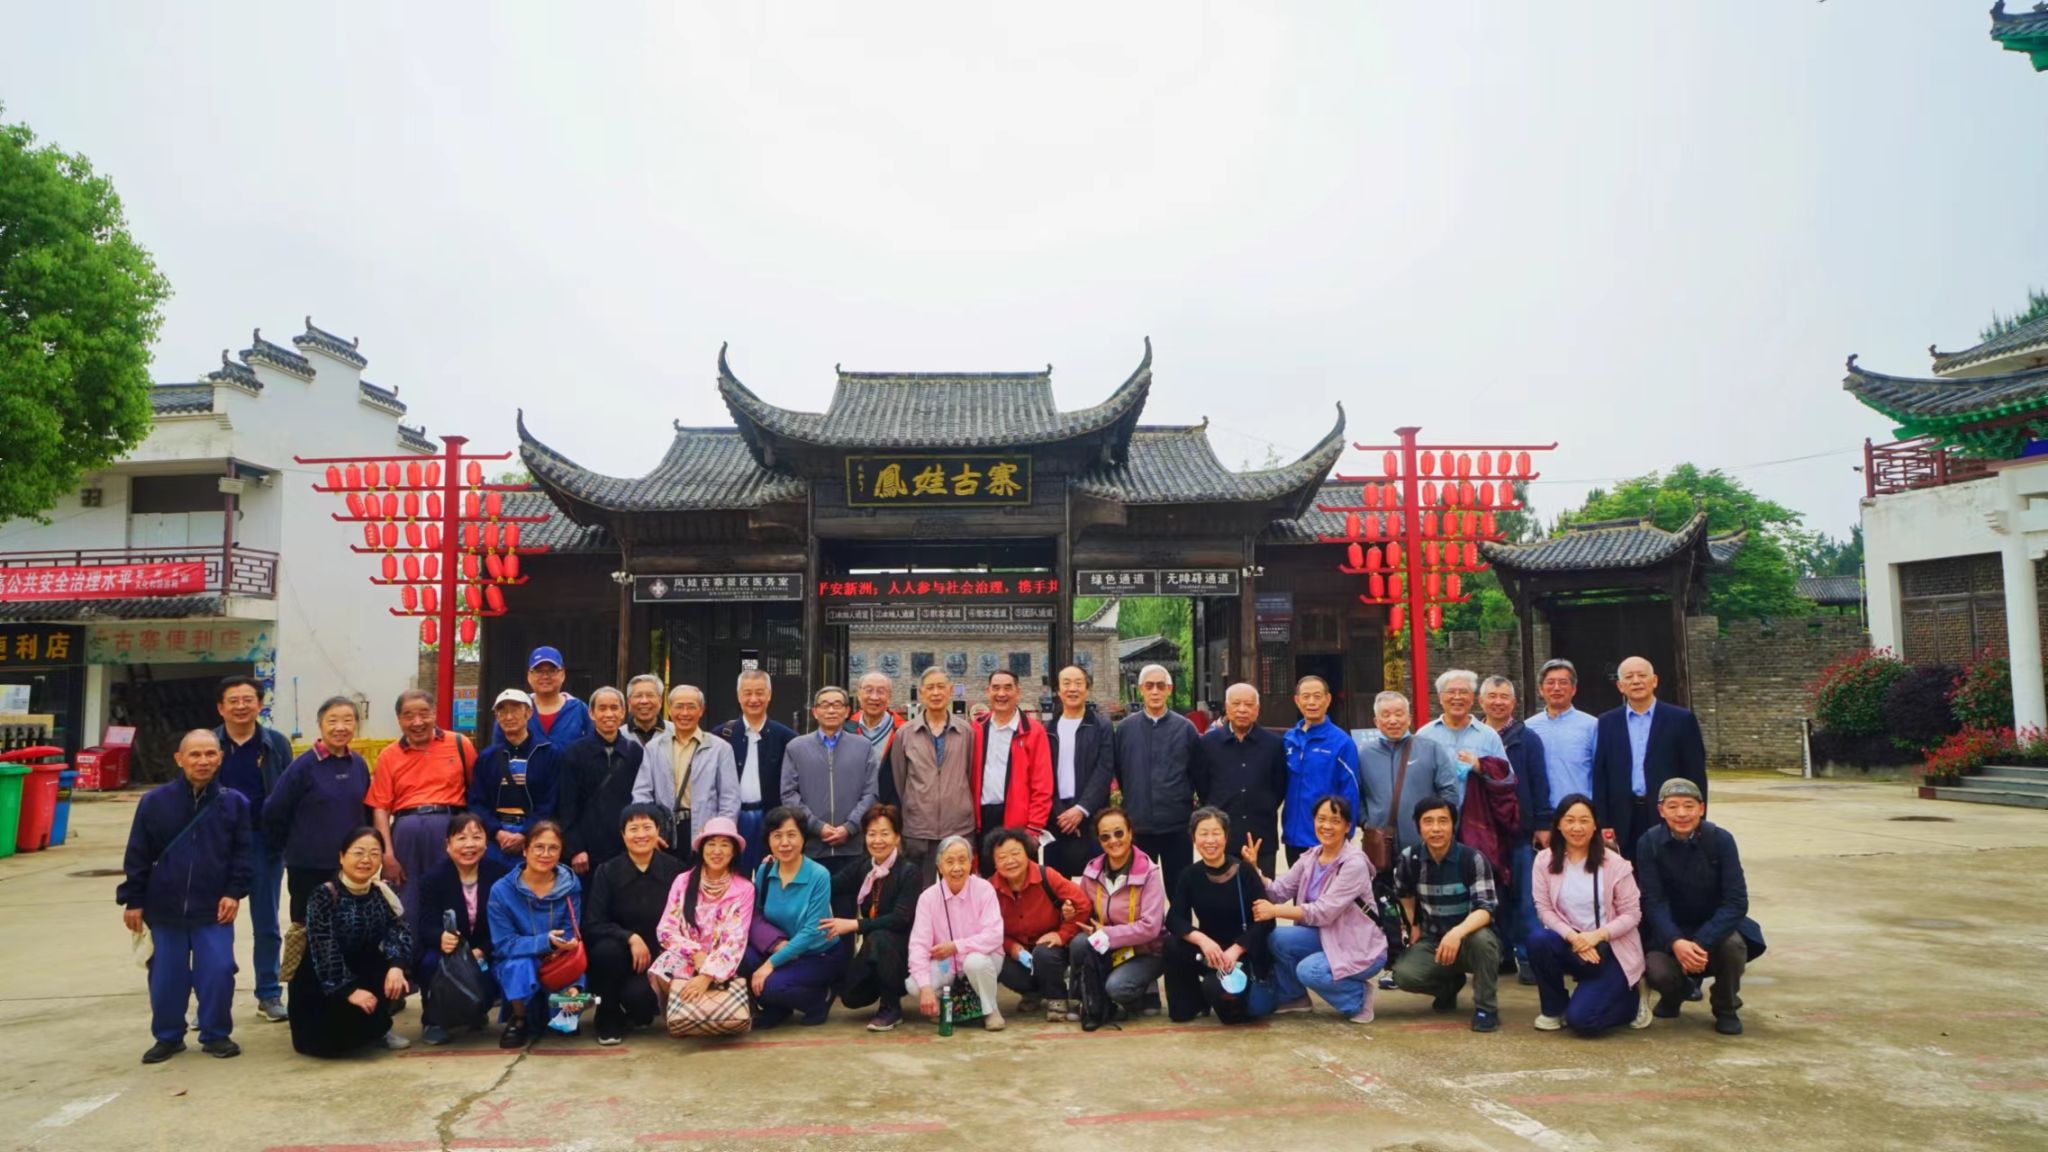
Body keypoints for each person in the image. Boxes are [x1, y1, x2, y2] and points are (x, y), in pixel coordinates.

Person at [118, 729, 252, 1064]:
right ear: (179, 759)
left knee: (219, 970)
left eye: (210, 754)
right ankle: (168, 1037)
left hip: (213, 909)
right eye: (195, 754)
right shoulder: (154, 802)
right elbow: (137, 853)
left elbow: (242, 854)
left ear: (220, 758)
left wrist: (234, 892)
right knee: (166, 977)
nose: (203, 761)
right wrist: (134, 900)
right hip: (164, 909)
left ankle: (216, 1034)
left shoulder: (235, 803)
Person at [1635, 778, 1764, 1035]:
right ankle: (1675, 994)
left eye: (1689, 805)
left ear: (1701, 808)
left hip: (1714, 926)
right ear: (1661, 810)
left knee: (1733, 946)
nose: (1681, 813)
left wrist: (1701, 942)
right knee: (1656, 969)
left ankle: (1726, 1006)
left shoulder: (1721, 840)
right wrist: (1676, 941)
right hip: (1671, 930)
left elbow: (1736, 901)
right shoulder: (1648, 843)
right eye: (1673, 806)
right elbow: (1653, 901)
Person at [1247, 796, 1385, 1023]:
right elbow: (1278, 892)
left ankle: (1358, 998)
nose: (1326, 826)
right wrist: (1255, 870)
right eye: (1321, 819)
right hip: (1327, 936)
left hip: (1358, 945)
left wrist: (1275, 911)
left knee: (1310, 971)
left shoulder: (1354, 864)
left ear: (1347, 826)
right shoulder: (1311, 856)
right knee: (1276, 937)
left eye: (1335, 821)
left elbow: (1323, 912)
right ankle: (1295, 998)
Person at [1527, 794, 1651, 1036]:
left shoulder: (1615, 864)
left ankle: (1633, 1001)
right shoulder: (1544, 860)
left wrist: (1597, 936)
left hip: (1610, 949)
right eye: (1569, 820)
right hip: (1573, 944)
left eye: (1584, 820)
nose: (1577, 827)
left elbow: (1632, 914)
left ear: (1595, 825)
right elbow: (1544, 909)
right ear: (1558, 824)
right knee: (1538, 940)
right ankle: (1555, 1009)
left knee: (1584, 1022)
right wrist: (1575, 938)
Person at [212, 675, 296, 1022]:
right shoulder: (209, 743)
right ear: (221, 708)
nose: (241, 706)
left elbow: (289, 792)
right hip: (218, 844)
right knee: (215, 924)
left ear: (260, 705)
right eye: (233, 700)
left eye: (248, 699)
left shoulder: (276, 744)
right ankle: (213, 1000)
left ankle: (269, 994)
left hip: (264, 842)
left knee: (266, 924)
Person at [289, 828, 415, 1055]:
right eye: (358, 852)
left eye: (374, 854)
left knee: (384, 964)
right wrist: (349, 990)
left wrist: (397, 966)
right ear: (342, 856)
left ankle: (380, 1028)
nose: (366, 860)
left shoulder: (381, 892)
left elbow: (399, 930)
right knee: (330, 1047)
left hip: (363, 969)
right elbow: (324, 948)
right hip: (323, 979)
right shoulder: (324, 894)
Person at [1391, 797, 1504, 1031]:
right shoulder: (1410, 858)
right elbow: (1404, 893)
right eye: (1428, 821)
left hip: (1471, 938)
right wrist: (1413, 924)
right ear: (1418, 826)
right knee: (1404, 975)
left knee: (1483, 941)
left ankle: (1486, 1008)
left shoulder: (1472, 859)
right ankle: (1448, 986)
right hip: (1433, 940)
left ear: (1453, 824)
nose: (1436, 828)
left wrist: (1457, 933)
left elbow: (1486, 909)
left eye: (1443, 821)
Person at [262, 695, 371, 925]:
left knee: (350, 928)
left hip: (351, 867)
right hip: (309, 867)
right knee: (310, 930)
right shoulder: (303, 766)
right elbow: (274, 810)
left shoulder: (359, 765)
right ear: (320, 725)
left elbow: (366, 813)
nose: (340, 727)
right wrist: (290, 847)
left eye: (348, 720)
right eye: (332, 721)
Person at [368, 690, 478, 911]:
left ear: (434, 713)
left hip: (448, 829)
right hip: (406, 833)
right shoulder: (389, 755)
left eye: (424, 714)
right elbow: (381, 808)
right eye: (408, 716)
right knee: (406, 899)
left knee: (450, 896)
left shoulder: (460, 744)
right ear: (399, 719)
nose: (417, 722)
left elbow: (476, 791)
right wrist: (387, 854)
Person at [584, 803, 684, 1044]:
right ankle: (607, 1014)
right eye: (633, 828)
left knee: (641, 1007)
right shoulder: (607, 871)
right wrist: (629, 937)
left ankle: (635, 1008)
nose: (641, 835)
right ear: (623, 834)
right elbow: (593, 923)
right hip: (619, 954)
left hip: (659, 957)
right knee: (606, 951)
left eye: (647, 827)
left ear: (658, 831)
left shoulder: (675, 870)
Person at [1166, 807, 1277, 1024]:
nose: (1210, 840)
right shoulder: (1190, 875)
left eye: (1216, 833)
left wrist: (1237, 949)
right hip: (1211, 952)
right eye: (1203, 834)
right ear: (1194, 839)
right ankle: (1194, 1001)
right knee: (1172, 945)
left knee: (1221, 999)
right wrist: (1202, 940)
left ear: (1226, 837)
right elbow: (1174, 918)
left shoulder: (1244, 872)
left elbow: (1266, 921)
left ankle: (1216, 991)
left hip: (1242, 954)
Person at [1593, 657, 1708, 859]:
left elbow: (1695, 774)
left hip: (1668, 814)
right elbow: (1601, 775)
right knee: (1627, 873)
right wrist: (1603, 822)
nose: (1636, 681)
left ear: (1654, 681)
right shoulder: (1607, 722)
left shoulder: (1681, 719)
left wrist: (1698, 820)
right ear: (1620, 686)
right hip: (1623, 817)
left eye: (1642, 675)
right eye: (1629, 677)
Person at [486, 820, 585, 1048]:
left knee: (566, 1022)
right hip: (517, 959)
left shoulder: (570, 885)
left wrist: (566, 945)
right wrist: (545, 941)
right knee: (520, 965)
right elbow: (503, 944)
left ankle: (563, 1008)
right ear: (525, 850)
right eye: (539, 847)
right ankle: (519, 1017)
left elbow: (571, 933)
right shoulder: (501, 890)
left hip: (557, 961)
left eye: (553, 848)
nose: (545, 854)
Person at [743, 807, 845, 1026]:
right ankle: (778, 1008)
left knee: (769, 985)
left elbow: (812, 931)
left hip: (817, 955)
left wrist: (770, 964)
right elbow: (756, 916)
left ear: (803, 837)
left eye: (791, 835)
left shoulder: (819, 875)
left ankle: (818, 999)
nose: (784, 843)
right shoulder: (765, 871)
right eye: (777, 836)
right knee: (743, 959)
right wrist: (775, 944)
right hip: (780, 948)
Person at [413, 812, 509, 1044]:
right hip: (449, 950)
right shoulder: (433, 878)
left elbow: (505, 924)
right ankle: (433, 1021)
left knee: (502, 967)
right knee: (429, 963)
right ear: (448, 844)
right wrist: (440, 937)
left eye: (476, 837)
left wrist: (483, 949)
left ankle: (476, 1011)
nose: (469, 845)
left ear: (486, 843)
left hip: (485, 949)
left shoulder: (500, 875)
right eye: (461, 838)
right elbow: (426, 924)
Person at [647, 817, 754, 1025]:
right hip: (688, 956)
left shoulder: (744, 888)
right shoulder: (683, 881)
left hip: (722, 961)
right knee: (663, 967)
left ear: (734, 852)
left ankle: (709, 1016)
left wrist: (707, 975)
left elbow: (736, 940)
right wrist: (695, 953)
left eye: (725, 845)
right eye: (711, 844)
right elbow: (666, 930)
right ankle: (684, 1017)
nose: (717, 851)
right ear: (702, 848)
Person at [1480, 674, 1551, 984]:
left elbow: (1539, 781)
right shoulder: (1476, 735)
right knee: (1493, 896)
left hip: (1520, 831)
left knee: (1526, 897)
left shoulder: (1527, 738)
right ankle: (1502, 953)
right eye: (1492, 696)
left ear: (1514, 702)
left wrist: (1543, 823)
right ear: (1481, 701)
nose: (1498, 702)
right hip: (1485, 833)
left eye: (1504, 697)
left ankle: (1528, 956)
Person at [824, 804, 921, 1031]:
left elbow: (900, 919)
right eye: (871, 834)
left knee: (880, 936)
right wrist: (789, 865)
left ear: (897, 837)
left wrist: (854, 925)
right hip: (875, 949)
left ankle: (891, 1007)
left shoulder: (909, 871)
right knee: (850, 997)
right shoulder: (864, 867)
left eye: (885, 833)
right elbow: (830, 884)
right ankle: (887, 984)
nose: (877, 840)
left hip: (905, 952)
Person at [1113, 663, 1199, 904]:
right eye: (1149, 686)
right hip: (1138, 824)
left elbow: (1196, 773)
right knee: (1138, 893)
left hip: (1176, 824)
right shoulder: (1125, 729)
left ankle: (1179, 928)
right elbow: (1121, 771)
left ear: (1169, 689)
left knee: (1179, 892)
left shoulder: (1185, 728)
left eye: (1161, 686)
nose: (1155, 691)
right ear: (1141, 689)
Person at [1069, 806, 1167, 1018]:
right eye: (1105, 837)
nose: (1113, 841)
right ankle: (1082, 997)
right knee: (1079, 943)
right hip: (1106, 948)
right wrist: (1069, 911)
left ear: (1130, 833)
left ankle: (1144, 989)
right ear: (1099, 840)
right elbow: (1083, 910)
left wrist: (1106, 933)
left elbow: (1151, 928)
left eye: (1119, 833)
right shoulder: (1091, 870)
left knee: (1117, 988)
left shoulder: (1149, 872)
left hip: (1144, 951)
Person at [986, 826, 1088, 1021]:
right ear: (994, 862)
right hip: (1019, 952)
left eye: (1015, 853)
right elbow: (989, 929)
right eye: (1002, 857)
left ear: (1027, 853)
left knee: (1044, 953)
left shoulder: (1047, 876)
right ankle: (1033, 993)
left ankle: (1057, 997)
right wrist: (1010, 946)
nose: (1010, 861)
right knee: (996, 961)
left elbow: (1083, 903)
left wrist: (1062, 934)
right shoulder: (989, 889)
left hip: (1051, 949)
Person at [907, 834, 1007, 1031]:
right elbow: (918, 945)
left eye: (962, 860)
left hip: (984, 958)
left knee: (974, 962)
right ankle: (941, 1006)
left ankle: (990, 1009)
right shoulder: (927, 898)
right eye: (950, 862)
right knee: (914, 984)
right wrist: (926, 988)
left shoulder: (984, 889)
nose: (957, 868)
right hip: (947, 964)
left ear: (971, 863)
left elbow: (994, 935)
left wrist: (956, 946)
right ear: (939, 867)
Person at [780, 685, 881, 876]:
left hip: (853, 847)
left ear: (847, 711)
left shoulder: (863, 747)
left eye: (837, 705)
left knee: (849, 895)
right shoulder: (796, 748)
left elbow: (871, 793)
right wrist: (817, 826)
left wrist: (849, 827)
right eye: (825, 705)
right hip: (811, 846)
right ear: (815, 712)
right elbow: (789, 794)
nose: (831, 710)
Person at [889, 666, 976, 885]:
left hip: (958, 825)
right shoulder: (905, 733)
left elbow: (971, 774)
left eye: (941, 687)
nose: (936, 693)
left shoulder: (966, 732)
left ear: (950, 691)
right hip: (918, 828)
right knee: (919, 891)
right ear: (921, 692)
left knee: (958, 889)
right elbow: (900, 779)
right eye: (930, 688)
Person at [634, 684, 739, 862]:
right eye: (679, 706)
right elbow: (642, 793)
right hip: (665, 831)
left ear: (701, 710)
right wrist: (648, 831)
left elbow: (730, 798)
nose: (684, 713)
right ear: (669, 709)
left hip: (705, 830)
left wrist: (720, 834)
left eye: (691, 707)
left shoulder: (720, 748)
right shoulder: (654, 748)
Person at [1194, 682, 1287, 877]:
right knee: (1222, 889)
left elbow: (1280, 786)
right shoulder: (1208, 743)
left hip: (1261, 833)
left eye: (1249, 704)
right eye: (1236, 704)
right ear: (1227, 708)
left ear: (1257, 710)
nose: (1242, 709)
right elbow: (1202, 785)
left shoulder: (1274, 744)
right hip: (1222, 834)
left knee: (1261, 889)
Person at [1354, 691, 1461, 857]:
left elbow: (1449, 791)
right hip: (1381, 844)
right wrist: (1366, 822)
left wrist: (1437, 824)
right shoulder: (1364, 755)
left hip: (1424, 843)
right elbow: (1357, 794)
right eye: (1386, 715)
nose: (1393, 720)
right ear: (1376, 721)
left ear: (1409, 718)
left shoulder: (1431, 749)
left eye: (1399, 714)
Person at [714, 669, 797, 875]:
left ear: (769, 695)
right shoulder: (721, 735)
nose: (753, 699)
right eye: (747, 693)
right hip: (733, 818)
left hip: (771, 818)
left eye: (759, 693)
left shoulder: (786, 737)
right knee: (732, 874)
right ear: (738, 696)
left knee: (770, 874)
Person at [470, 689, 563, 870]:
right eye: (502, 711)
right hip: (496, 838)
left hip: (537, 836)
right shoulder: (487, 757)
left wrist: (526, 832)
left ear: (529, 713)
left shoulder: (549, 753)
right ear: (497, 717)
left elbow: (552, 800)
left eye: (515, 710)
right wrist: (497, 832)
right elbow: (476, 801)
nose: (509, 716)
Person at [557, 686, 645, 875]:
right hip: (587, 852)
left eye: (614, 708)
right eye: (602, 708)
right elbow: (566, 805)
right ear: (591, 713)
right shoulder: (575, 752)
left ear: (623, 712)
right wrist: (575, 848)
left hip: (625, 847)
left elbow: (641, 800)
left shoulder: (634, 752)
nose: (609, 714)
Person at [970, 670, 1054, 861]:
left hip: (1019, 824)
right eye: (996, 688)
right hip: (983, 819)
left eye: (1008, 688)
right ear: (988, 691)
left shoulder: (1033, 731)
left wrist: (1034, 827)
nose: (1001, 694)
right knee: (987, 875)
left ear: (1018, 692)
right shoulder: (977, 728)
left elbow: (1042, 784)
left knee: (1016, 875)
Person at [1279, 677, 1358, 873]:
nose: (1311, 702)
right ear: (1297, 700)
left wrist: (1345, 834)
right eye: (1306, 697)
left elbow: (1351, 792)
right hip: (1293, 836)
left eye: (1317, 696)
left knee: (1325, 892)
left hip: (1326, 837)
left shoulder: (1342, 742)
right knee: (1297, 890)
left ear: (1328, 699)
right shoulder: (1289, 740)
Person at [1044, 663, 1114, 881]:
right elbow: (1043, 775)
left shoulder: (1101, 726)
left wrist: (1081, 809)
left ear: (1087, 689)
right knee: (1056, 887)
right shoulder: (1048, 730)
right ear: (1058, 690)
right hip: (1056, 818)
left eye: (1078, 683)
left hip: (1092, 817)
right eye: (1066, 683)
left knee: (1096, 885)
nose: (1072, 689)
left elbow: (1104, 770)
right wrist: (1060, 813)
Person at [1524, 658, 1598, 805]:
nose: (1556, 688)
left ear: (1574, 689)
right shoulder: (1528, 727)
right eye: (1550, 682)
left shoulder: (1592, 726)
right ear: (1541, 689)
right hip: (1540, 812)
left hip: (1579, 811)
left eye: (1563, 682)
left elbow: (1601, 773)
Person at [1417, 669, 1506, 785]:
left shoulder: (1489, 736)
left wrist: (1480, 766)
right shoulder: (1424, 735)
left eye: (1464, 692)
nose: (1457, 697)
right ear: (1440, 697)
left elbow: (1506, 778)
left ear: (1472, 698)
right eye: (1451, 692)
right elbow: (1415, 778)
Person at [491, 646, 592, 748]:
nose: (545, 676)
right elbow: (498, 751)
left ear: (563, 674)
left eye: (552, 670)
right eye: (538, 671)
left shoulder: (579, 709)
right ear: (529, 676)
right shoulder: (515, 707)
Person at [849, 670, 904, 760]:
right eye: (869, 690)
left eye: (881, 691)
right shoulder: (846, 728)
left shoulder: (903, 731)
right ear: (859, 695)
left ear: (889, 697)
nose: (874, 697)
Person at [623, 674, 668, 747]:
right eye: (638, 696)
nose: (644, 701)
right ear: (629, 702)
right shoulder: (619, 735)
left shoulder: (675, 733)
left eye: (650, 695)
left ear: (660, 701)